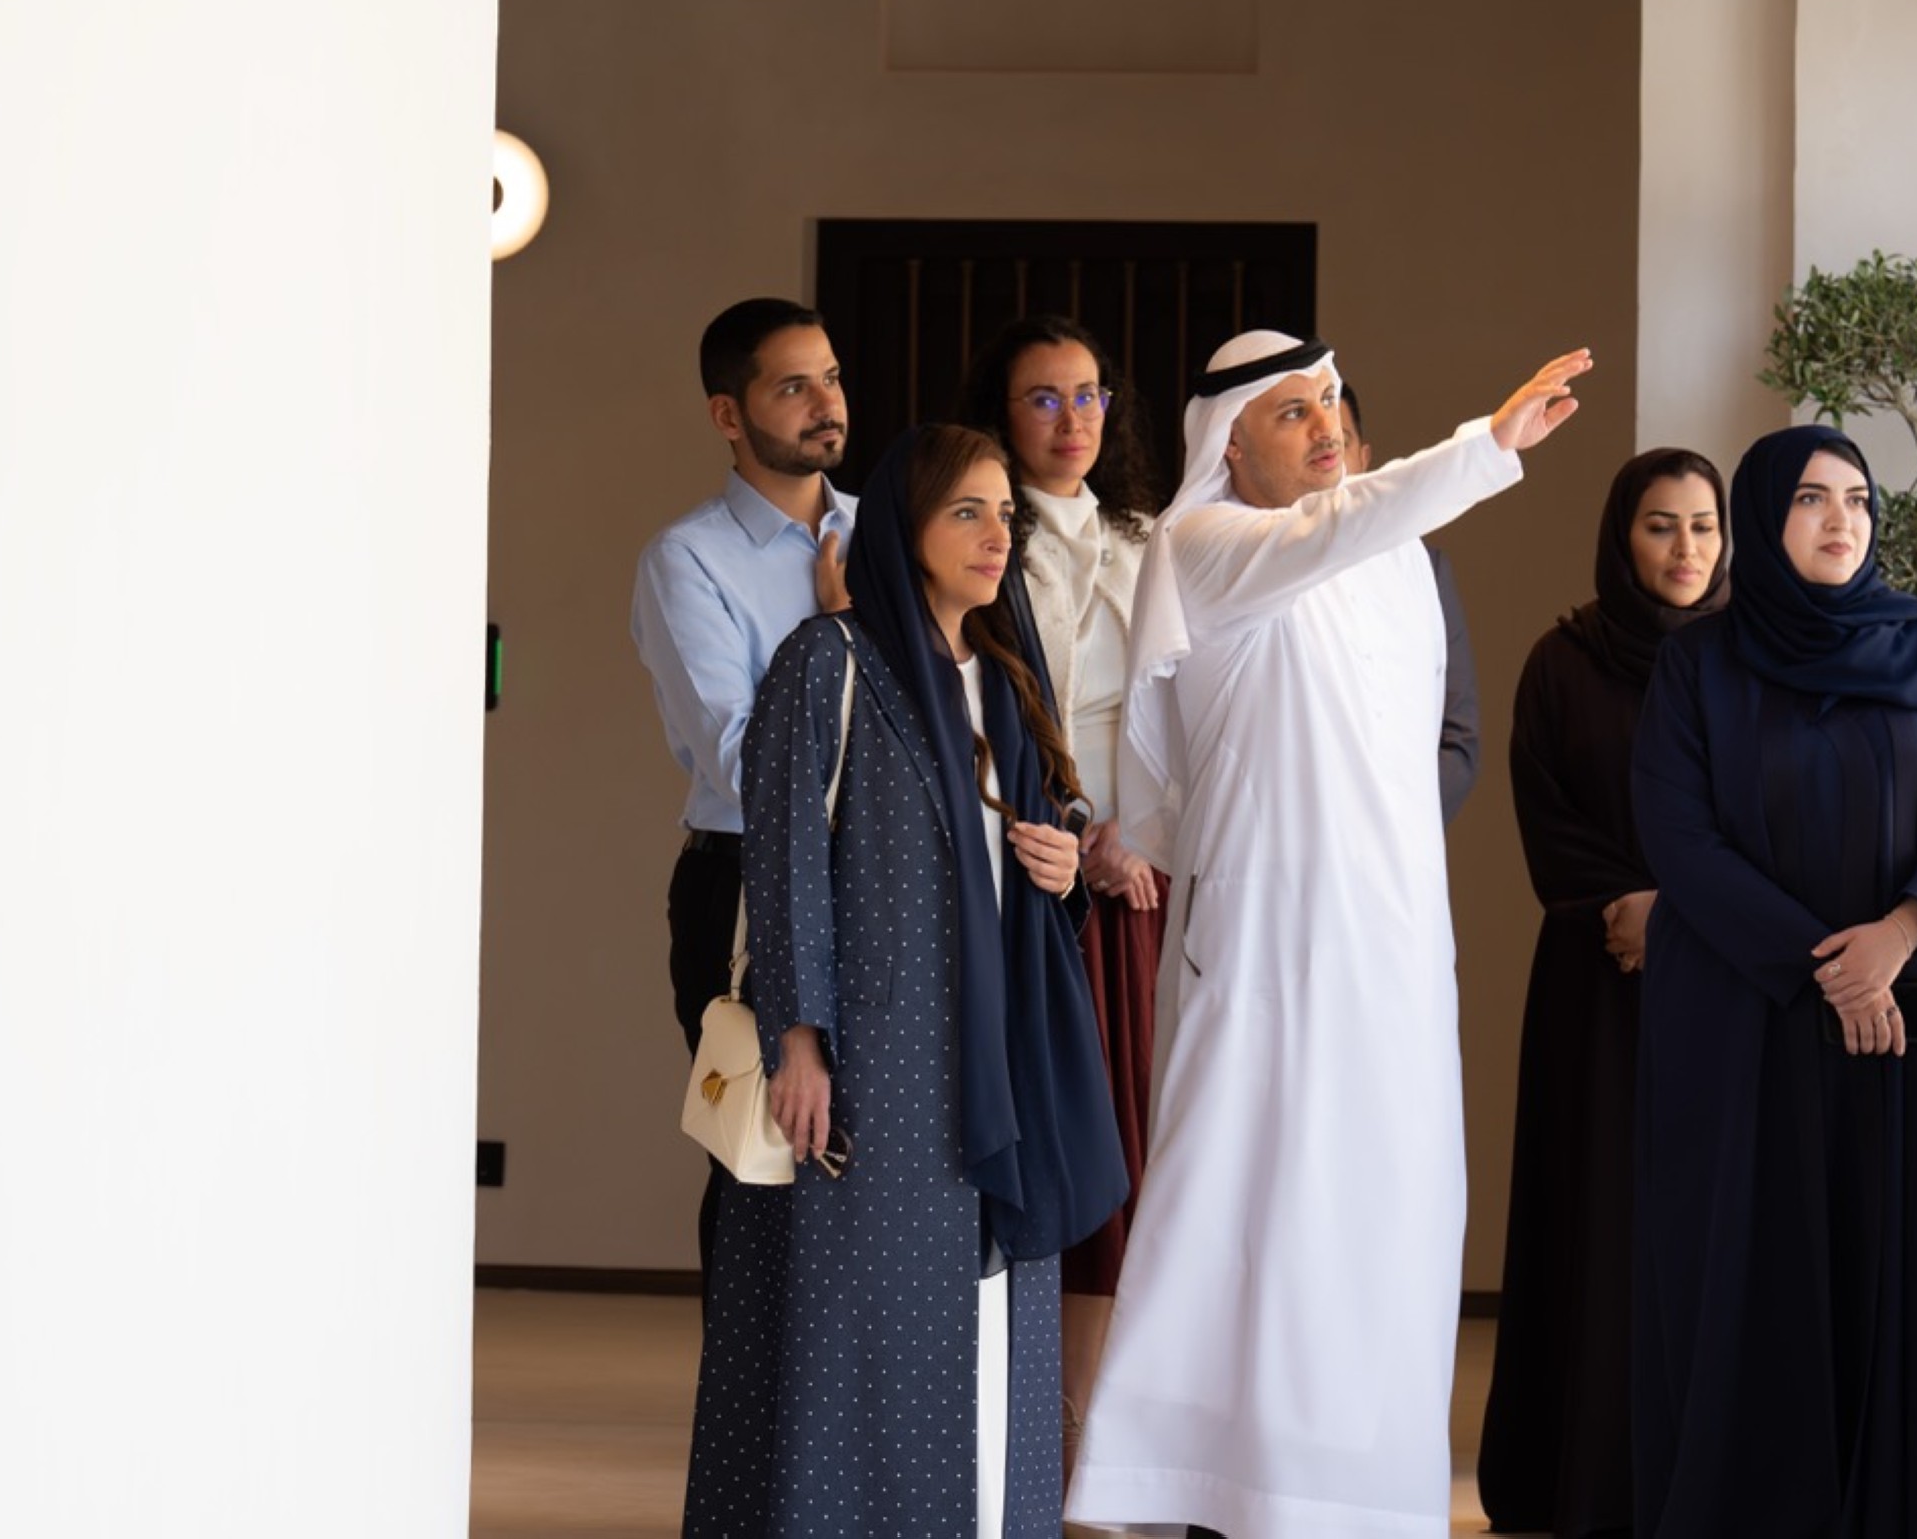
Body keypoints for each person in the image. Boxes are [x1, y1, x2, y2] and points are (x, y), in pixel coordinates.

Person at [1066, 329, 1595, 1539]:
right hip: (1264, 938)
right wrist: (1487, 444)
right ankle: (1200, 1486)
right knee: (1250, 1206)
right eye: (1290, 411)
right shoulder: (1205, 547)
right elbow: (1328, 532)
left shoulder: (1390, 554)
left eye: (1331, 404)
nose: (1321, 426)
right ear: (1227, 441)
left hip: (1394, 947)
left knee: (1384, 1213)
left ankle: (1361, 1498)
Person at [682, 424, 1128, 1539]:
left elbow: (1038, 836)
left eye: (1005, 514)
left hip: (994, 1053)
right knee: (855, 1327)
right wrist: (798, 1038)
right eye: (966, 511)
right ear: (906, 525)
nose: (995, 535)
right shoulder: (827, 662)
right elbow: (782, 859)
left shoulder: (1008, 672)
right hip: (876, 1055)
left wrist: (1063, 865)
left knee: (985, 1316)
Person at [1628, 425, 1917, 1539]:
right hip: (1744, 1011)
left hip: (1906, 1011)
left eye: (1856, 499)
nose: (1841, 521)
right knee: (1746, 1262)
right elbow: (1677, 835)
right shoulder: (1699, 660)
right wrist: (1824, 968)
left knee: (1905, 1259)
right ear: (1761, 516)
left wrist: (1900, 931)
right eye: (1809, 500)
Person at [1477, 449, 1729, 1539]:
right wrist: (1620, 906)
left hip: (1722, 982)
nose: (1684, 551)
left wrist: (1678, 910)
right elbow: (1544, 814)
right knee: (1595, 1214)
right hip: (1596, 977)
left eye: (1703, 528)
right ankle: (1574, 1476)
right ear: (1619, 538)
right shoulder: (1560, 660)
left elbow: (1761, 821)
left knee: (1707, 1226)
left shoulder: (1744, 664)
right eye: (1659, 527)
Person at [955, 315, 1167, 1470]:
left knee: (1132, 1151)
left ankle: (1106, 1424)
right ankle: (1036, 1420)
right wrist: (1078, 835)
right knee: (1052, 1143)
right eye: (1042, 398)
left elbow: (1175, 720)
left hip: (1142, 874)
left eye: (1087, 396)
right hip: (1032, 865)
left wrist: (1138, 835)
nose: (1070, 420)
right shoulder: (981, 541)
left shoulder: (1150, 541)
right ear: (1000, 413)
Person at [629, 296, 853, 1274]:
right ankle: (746, 1423)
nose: (824, 403)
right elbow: (738, 757)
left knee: (868, 1162)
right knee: (758, 1160)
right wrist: (836, 635)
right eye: (791, 385)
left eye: (831, 376)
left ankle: (836, 1422)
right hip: (744, 886)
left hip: (875, 880)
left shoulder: (888, 534)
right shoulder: (687, 561)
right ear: (729, 414)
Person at [1337, 378, 1482, 823]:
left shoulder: (1424, 567)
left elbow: (1458, 736)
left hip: (1401, 843)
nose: (1326, 458)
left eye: (1339, 442)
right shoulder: (1256, 567)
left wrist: (1393, 826)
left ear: (1364, 458)